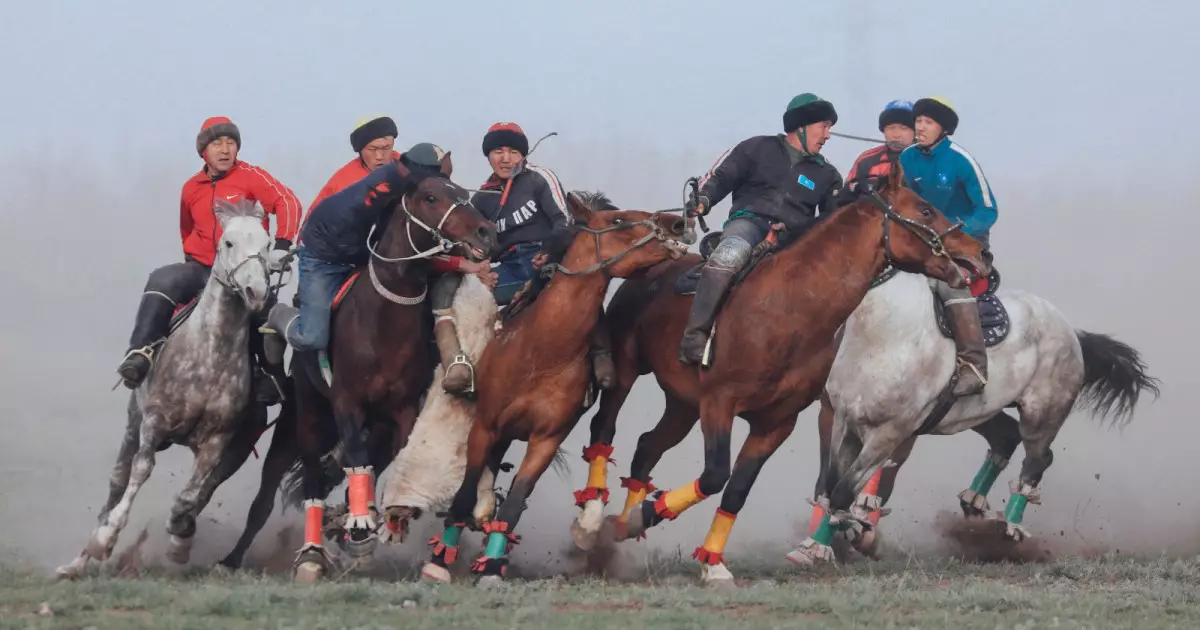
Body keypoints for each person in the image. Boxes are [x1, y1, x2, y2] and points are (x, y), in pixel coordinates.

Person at [116, 116, 300, 399]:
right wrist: (193, 258)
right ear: (204, 151)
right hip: (204, 268)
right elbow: (187, 228)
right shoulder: (191, 188)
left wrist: (283, 243)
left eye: (230, 143)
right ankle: (141, 352)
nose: (225, 149)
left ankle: (269, 376)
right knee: (162, 279)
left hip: (244, 270)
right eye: (217, 144)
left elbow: (287, 201)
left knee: (266, 310)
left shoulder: (252, 177)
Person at [428, 122, 615, 396]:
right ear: (489, 155)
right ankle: (464, 368)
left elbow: (562, 221)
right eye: (498, 151)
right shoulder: (482, 199)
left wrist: (549, 252)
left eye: (513, 151)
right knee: (460, 298)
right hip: (509, 269)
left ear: (523, 155)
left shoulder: (539, 178)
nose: (506, 158)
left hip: (551, 257)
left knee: (580, 288)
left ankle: (601, 354)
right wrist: (478, 270)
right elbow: (472, 246)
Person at [679, 93, 845, 365]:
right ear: (801, 126)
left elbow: (832, 221)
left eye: (829, 128)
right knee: (728, 256)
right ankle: (695, 337)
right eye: (824, 127)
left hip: (795, 242)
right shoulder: (756, 148)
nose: (828, 135)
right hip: (749, 224)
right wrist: (703, 200)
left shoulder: (828, 175)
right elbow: (720, 177)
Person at [260, 144, 452, 376]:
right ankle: (278, 316)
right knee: (312, 338)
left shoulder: (403, 179)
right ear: (415, 176)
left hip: (361, 251)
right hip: (326, 257)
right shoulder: (376, 193)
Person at [899, 96, 997, 396]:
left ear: (943, 129)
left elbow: (988, 211)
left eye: (928, 122)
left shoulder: (961, 160)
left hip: (964, 243)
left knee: (951, 284)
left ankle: (973, 365)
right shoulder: (907, 158)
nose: (920, 127)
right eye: (917, 121)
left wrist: (953, 231)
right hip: (925, 241)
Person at [305, 116, 402, 219]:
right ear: (360, 150)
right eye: (372, 149)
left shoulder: (410, 172)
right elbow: (313, 226)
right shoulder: (341, 184)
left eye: (386, 148)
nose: (379, 156)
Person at [845, 100, 915, 193]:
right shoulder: (866, 160)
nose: (896, 134)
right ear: (883, 130)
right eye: (891, 128)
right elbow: (847, 193)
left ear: (915, 132)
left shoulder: (926, 160)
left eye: (904, 128)